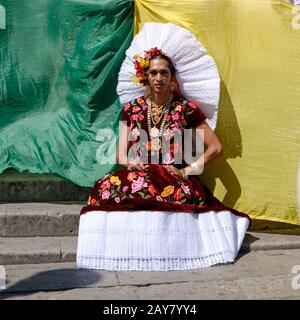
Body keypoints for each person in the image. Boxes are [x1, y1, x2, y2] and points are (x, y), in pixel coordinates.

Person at [76, 48, 251, 271]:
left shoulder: (185, 109)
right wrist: (130, 163)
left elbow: (216, 148)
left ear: (171, 78)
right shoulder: (132, 109)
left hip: (173, 177)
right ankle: (123, 251)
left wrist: (188, 171)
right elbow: (120, 153)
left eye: (164, 73)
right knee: (105, 186)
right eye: (154, 73)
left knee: (163, 191)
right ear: (146, 76)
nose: (159, 78)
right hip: (141, 173)